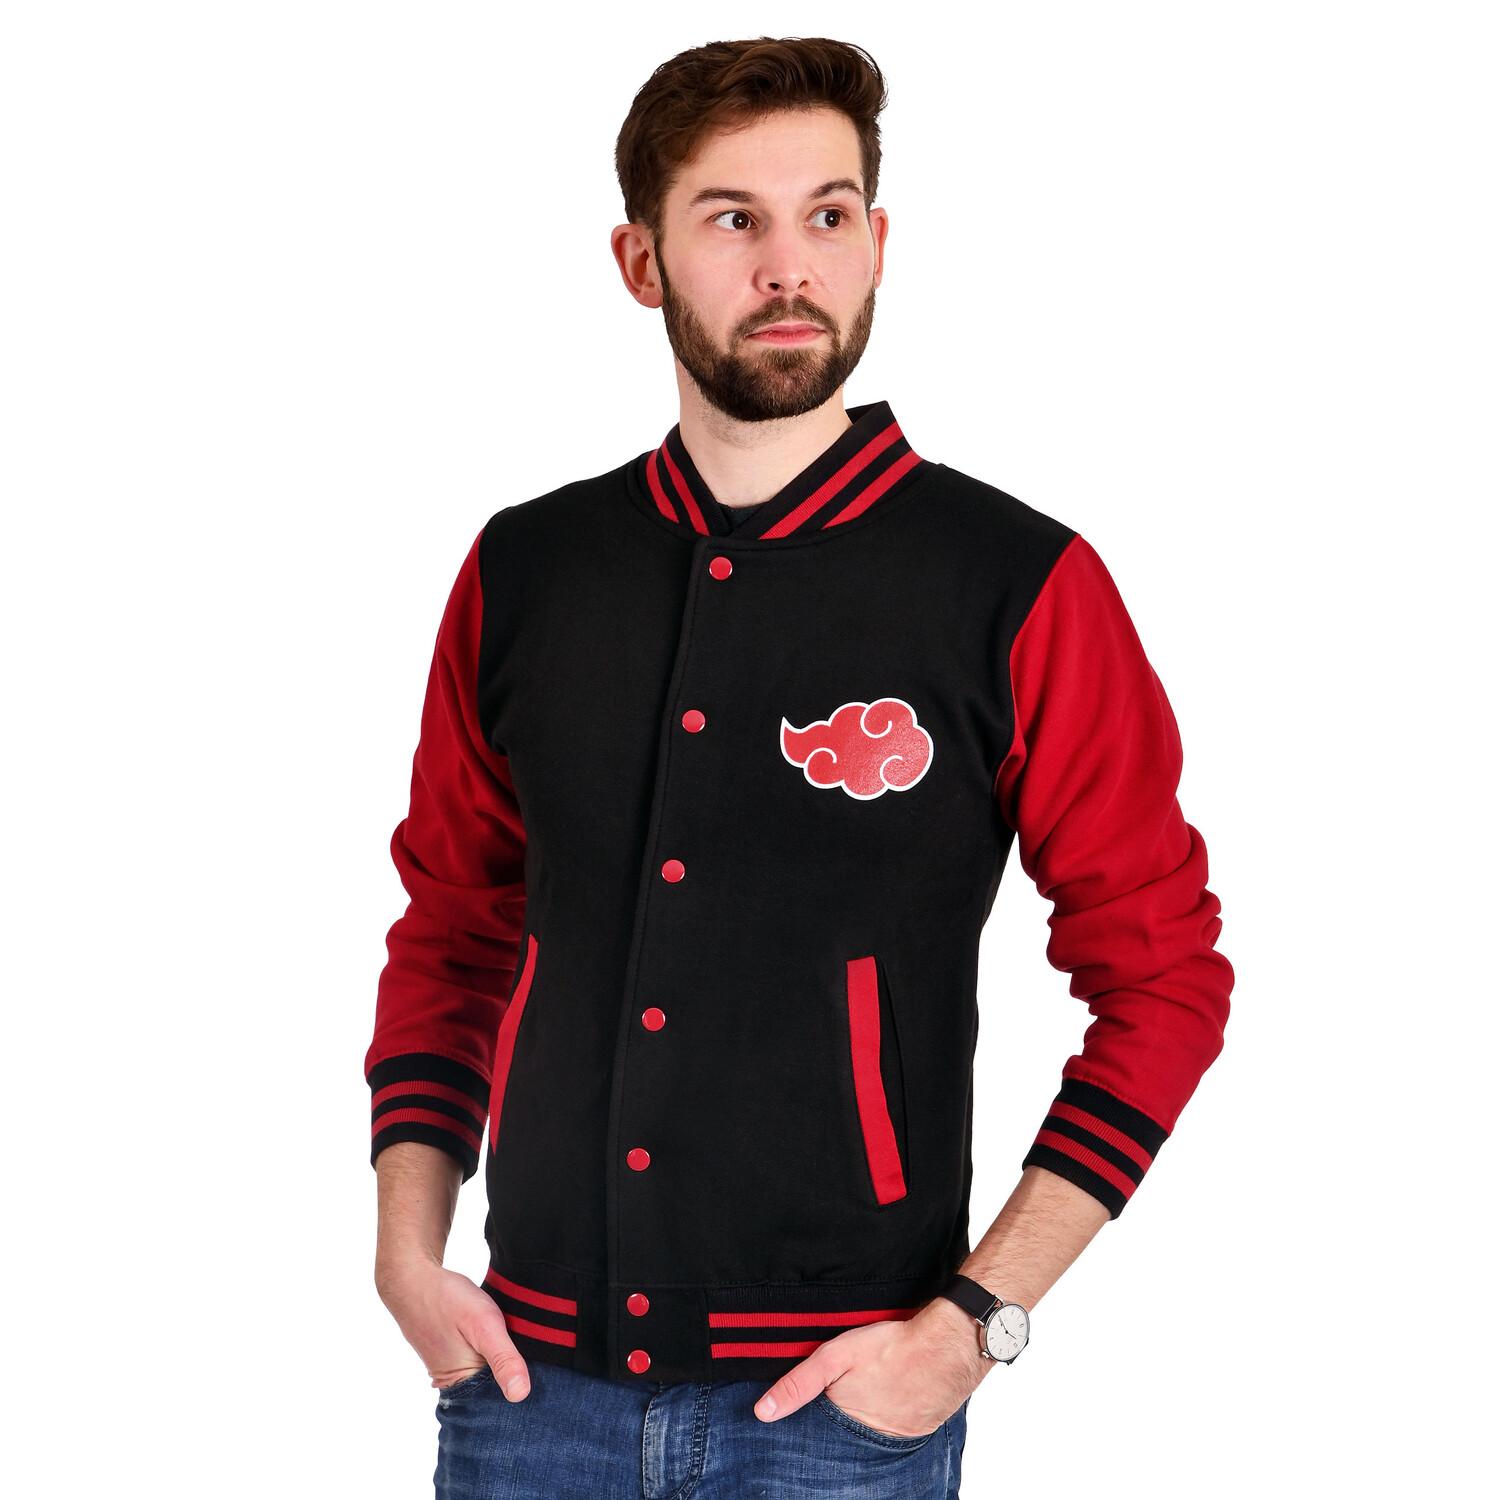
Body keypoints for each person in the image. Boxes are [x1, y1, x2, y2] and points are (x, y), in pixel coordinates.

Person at [364, 35, 1234, 1500]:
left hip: (844, 1412)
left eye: (828, 216)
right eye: (734, 220)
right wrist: (407, 1251)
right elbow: (454, 928)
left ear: (877, 243)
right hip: (525, 1394)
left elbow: (1164, 979)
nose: (789, 267)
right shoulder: (528, 570)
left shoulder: (1014, 583)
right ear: (641, 262)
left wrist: (976, 1322)